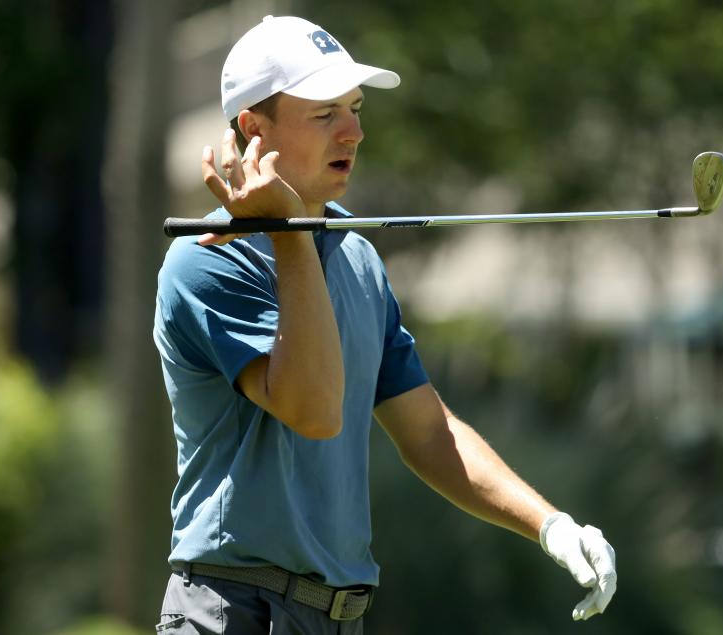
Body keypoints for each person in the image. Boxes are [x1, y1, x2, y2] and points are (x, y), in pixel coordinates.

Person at [153, 15, 616, 634]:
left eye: (355, 107)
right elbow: (314, 410)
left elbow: (429, 431)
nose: (355, 131)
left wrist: (549, 524)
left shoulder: (356, 254)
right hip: (234, 610)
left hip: (339, 617)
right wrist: (288, 233)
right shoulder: (205, 259)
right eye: (324, 114)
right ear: (253, 129)